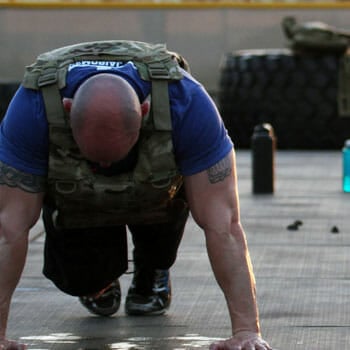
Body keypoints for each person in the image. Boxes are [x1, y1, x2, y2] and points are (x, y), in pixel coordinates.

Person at [0, 40, 272, 350]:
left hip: (156, 195)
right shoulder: (32, 107)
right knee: (82, 277)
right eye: (97, 158)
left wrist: (247, 332)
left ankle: (153, 265)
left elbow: (225, 226)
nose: (105, 166)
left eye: (113, 156)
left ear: (144, 111)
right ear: (67, 109)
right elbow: (8, 230)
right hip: (76, 197)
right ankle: (99, 282)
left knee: (178, 199)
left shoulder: (187, 104)